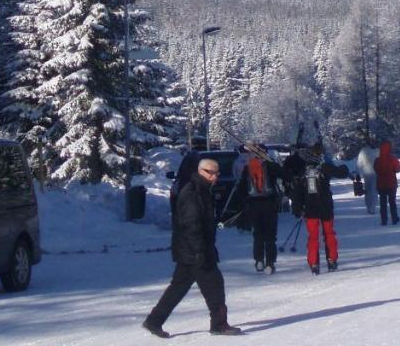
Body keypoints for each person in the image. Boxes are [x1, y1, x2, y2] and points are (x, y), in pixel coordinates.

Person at [143, 158, 243, 338]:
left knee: (178, 288)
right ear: (202, 172)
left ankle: (154, 321)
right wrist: (200, 252)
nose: (215, 177)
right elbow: (191, 225)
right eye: (211, 173)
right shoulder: (193, 193)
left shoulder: (202, 190)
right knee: (215, 286)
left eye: (217, 173)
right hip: (195, 251)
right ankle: (219, 324)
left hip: (190, 251)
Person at [291, 144, 349, 274]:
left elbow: (297, 194)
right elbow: (342, 172)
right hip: (326, 207)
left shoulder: (303, 173)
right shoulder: (324, 168)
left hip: (310, 209)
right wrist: (341, 166)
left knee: (313, 236)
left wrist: (298, 209)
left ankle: (314, 263)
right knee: (329, 233)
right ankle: (332, 260)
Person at [242, 143, 282, 274]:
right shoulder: (270, 166)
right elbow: (284, 174)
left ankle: (259, 260)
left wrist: (244, 204)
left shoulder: (248, 168)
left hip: (253, 205)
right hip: (269, 204)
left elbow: (240, 188)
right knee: (270, 235)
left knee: (258, 234)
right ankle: (270, 263)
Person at [373, 140, 400, 225]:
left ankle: (384, 220)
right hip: (391, 183)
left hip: (381, 184)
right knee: (392, 202)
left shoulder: (377, 160)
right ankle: (394, 218)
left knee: (383, 203)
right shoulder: (393, 158)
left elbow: (375, 169)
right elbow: (398, 168)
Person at [355, 142, 379, 215]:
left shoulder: (363, 151)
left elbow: (359, 163)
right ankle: (372, 208)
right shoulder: (377, 151)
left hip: (367, 174)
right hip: (374, 173)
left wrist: (357, 173)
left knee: (368, 191)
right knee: (373, 191)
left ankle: (369, 207)